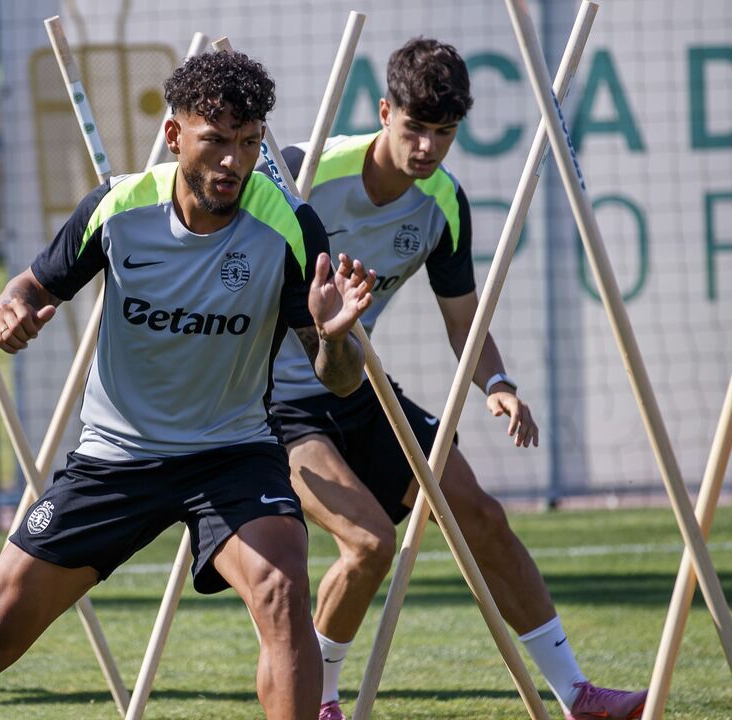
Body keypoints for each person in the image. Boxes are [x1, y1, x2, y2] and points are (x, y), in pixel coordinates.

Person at [0, 51, 375, 719]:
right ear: (175, 134)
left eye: (249, 142)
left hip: (232, 452)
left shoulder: (291, 226)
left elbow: (340, 378)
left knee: (279, 591)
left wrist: (334, 337)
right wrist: (11, 309)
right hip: (115, 458)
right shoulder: (118, 207)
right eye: (215, 140)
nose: (233, 163)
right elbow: (33, 284)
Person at [265, 38, 647, 720]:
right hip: (272, 401)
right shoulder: (305, 170)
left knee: (481, 514)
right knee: (368, 543)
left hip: (360, 383)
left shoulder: (443, 203)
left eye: (443, 134)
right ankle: (321, 701)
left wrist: (497, 383)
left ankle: (577, 693)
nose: (427, 149)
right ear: (385, 112)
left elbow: (463, 321)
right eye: (415, 129)